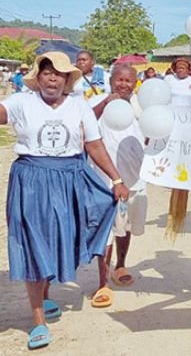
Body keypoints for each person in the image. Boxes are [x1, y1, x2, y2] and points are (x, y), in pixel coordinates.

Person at [1, 51, 129, 350]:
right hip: (31, 179)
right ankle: (37, 322)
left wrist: (117, 179)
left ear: (68, 80)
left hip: (70, 178)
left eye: (59, 74)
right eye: (48, 72)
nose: (53, 78)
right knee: (34, 245)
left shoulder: (79, 106)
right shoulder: (22, 101)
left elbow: (94, 145)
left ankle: (44, 298)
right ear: (39, 76)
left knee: (61, 239)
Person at [87, 64, 147, 308]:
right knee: (107, 232)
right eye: (119, 80)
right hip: (106, 180)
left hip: (136, 180)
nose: (123, 84)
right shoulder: (100, 101)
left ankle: (121, 265)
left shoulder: (142, 107)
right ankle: (103, 282)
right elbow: (84, 124)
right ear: (111, 81)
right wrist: (105, 104)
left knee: (128, 226)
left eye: (128, 80)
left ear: (135, 83)